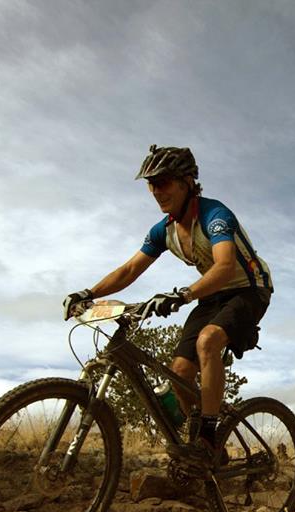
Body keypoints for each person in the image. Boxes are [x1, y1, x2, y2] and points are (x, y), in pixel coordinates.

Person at [62, 145, 273, 461]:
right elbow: (130, 269)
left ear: (187, 181)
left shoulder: (215, 215)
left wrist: (183, 295)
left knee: (208, 341)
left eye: (163, 182)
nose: (156, 191)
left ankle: (209, 435)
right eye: (151, 184)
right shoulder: (164, 231)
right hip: (213, 295)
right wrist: (88, 294)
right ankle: (194, 437)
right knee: (179, 371)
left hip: (249, 290)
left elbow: (225, 265)